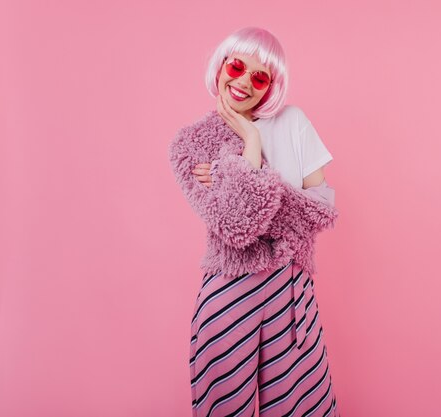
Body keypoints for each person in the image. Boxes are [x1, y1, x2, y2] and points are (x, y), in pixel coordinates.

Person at [168, 27, 341, 417]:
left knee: (306, 405)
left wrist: (245, 163)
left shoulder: (293, 121)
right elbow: (237, 226)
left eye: (259, 76)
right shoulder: (192, 143)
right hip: (229, 293)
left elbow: (321, 212)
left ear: (270, 86)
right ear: (222, 66)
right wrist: (251, 147)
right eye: (237, 66)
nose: (245, 81)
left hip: (290, 293)